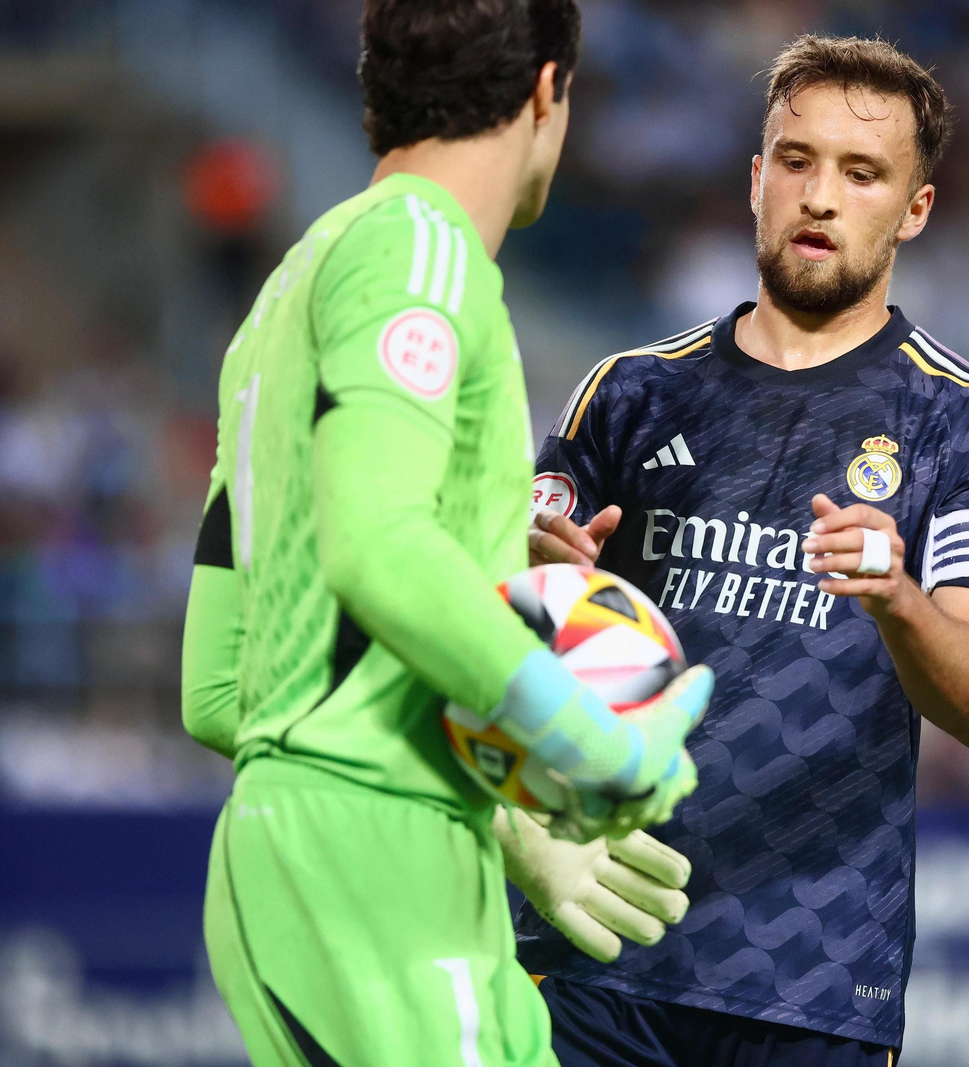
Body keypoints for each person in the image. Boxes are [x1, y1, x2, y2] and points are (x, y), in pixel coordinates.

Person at [177, 3, 713, 1065]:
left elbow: (215, 684)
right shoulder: (421, 250)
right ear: (547, 92)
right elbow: (378, 545)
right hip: (376, 866)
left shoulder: (294, 284)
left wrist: (512, 823)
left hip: (345, 860)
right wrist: (584, 737)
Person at [517, 35, 969, 1067]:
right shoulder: (626, 393)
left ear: (915, 210)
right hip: (592, 943)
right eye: (795, 160)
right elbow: (502, 626)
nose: (820, 195)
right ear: (756, 178)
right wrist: (533, 574)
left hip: (812, 974)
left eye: (861, 172)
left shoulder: (967, 422)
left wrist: (896, 596)